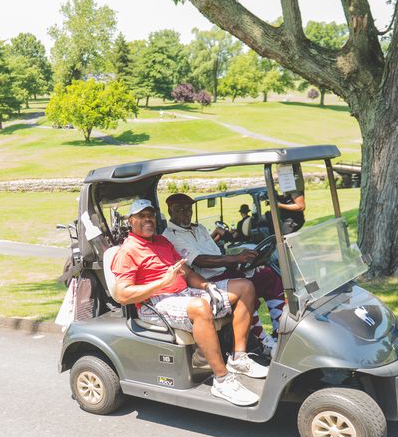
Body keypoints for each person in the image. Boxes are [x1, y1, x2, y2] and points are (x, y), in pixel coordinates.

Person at [110, 199, 265, 407]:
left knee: (244, 286)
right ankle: (222, 380)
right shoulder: (128, 250)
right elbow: (122, 294)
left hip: (182, 293)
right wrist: (161, 283)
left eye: (151, 215)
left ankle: (238, 358)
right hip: (155, 303)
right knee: (200, 307)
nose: (148, 219)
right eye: (142, 216)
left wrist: (206, 287)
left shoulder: (162, 242)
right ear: (131, 221)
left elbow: (187, 272)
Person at [163, 193, 286, 355]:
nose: (186, 213)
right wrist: (236, 258)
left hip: (225, 271)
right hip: (207, 279)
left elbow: (216, 251)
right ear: (170, 212)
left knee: (268, 275)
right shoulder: (170, 235)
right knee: (244, 290)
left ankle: (281, 331)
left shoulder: (198, 228)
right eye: (180, 209)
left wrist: (240, 261)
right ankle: (265, 342)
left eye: (188, 209)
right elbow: (199, 260)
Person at [274, 163, 306, 234]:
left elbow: (300, 206)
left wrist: (279, 205)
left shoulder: (293, 185)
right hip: (288, 219)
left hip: (292, 221)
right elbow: (289, 198)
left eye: (281, 166)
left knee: (282, 242)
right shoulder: (288, 184)